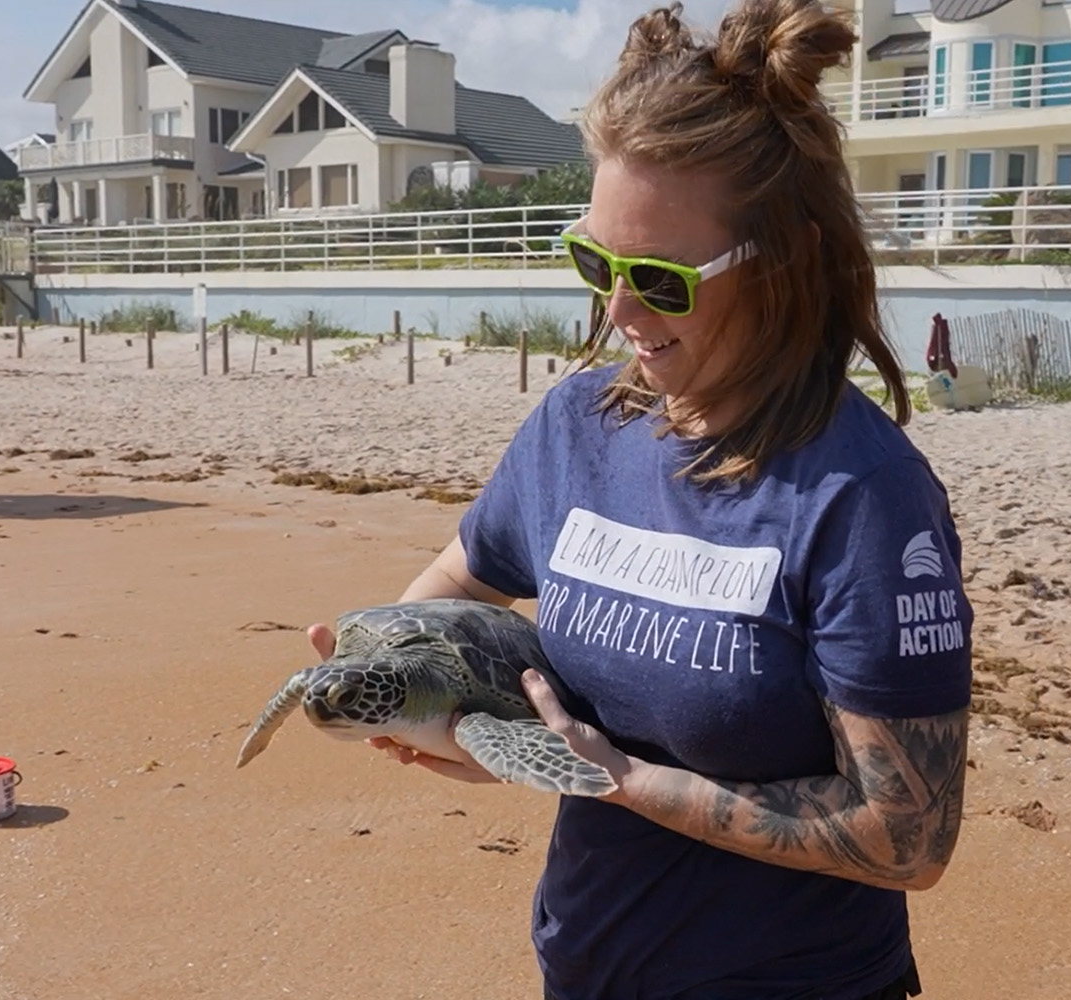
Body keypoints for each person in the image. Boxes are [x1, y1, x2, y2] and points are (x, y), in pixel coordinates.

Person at [302, 1, 973, 995]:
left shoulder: (859, 497)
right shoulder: (578, 426)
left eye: (657, 277)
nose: (615, 310)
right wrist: (421, 694)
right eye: (594, 261)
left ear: (779, 265)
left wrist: (618, 780)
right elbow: (459, 588)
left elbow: (904, 836)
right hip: (585, 963)